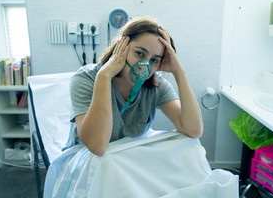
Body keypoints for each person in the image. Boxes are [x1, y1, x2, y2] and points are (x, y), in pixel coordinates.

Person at [64, 16, 203, 156]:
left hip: (129, 157)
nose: (144, 66)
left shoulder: (156, 86)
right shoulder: (86, 78)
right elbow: (97, 147)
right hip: (87, 160)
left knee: (191, 149)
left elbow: (193, 130)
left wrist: (179, 72)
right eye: (139, 53)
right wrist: (104, 76)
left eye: (154, 60)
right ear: (121, 47)